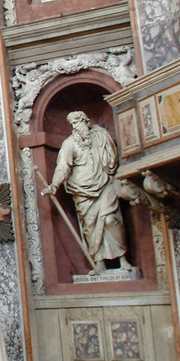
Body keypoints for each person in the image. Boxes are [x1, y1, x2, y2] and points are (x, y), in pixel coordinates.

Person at [44, 110, 133, 275]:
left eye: (78, 122)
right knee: (90, 225)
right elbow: (62, 167)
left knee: (111, 220)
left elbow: (113, 157)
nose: (77, 127)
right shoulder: (69, 144)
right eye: (73, 124)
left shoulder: (101, 136)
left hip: (105, 185)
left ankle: (123, 258)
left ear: (86, 121)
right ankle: (99, 263)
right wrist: (54, 184)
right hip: (82, 190)